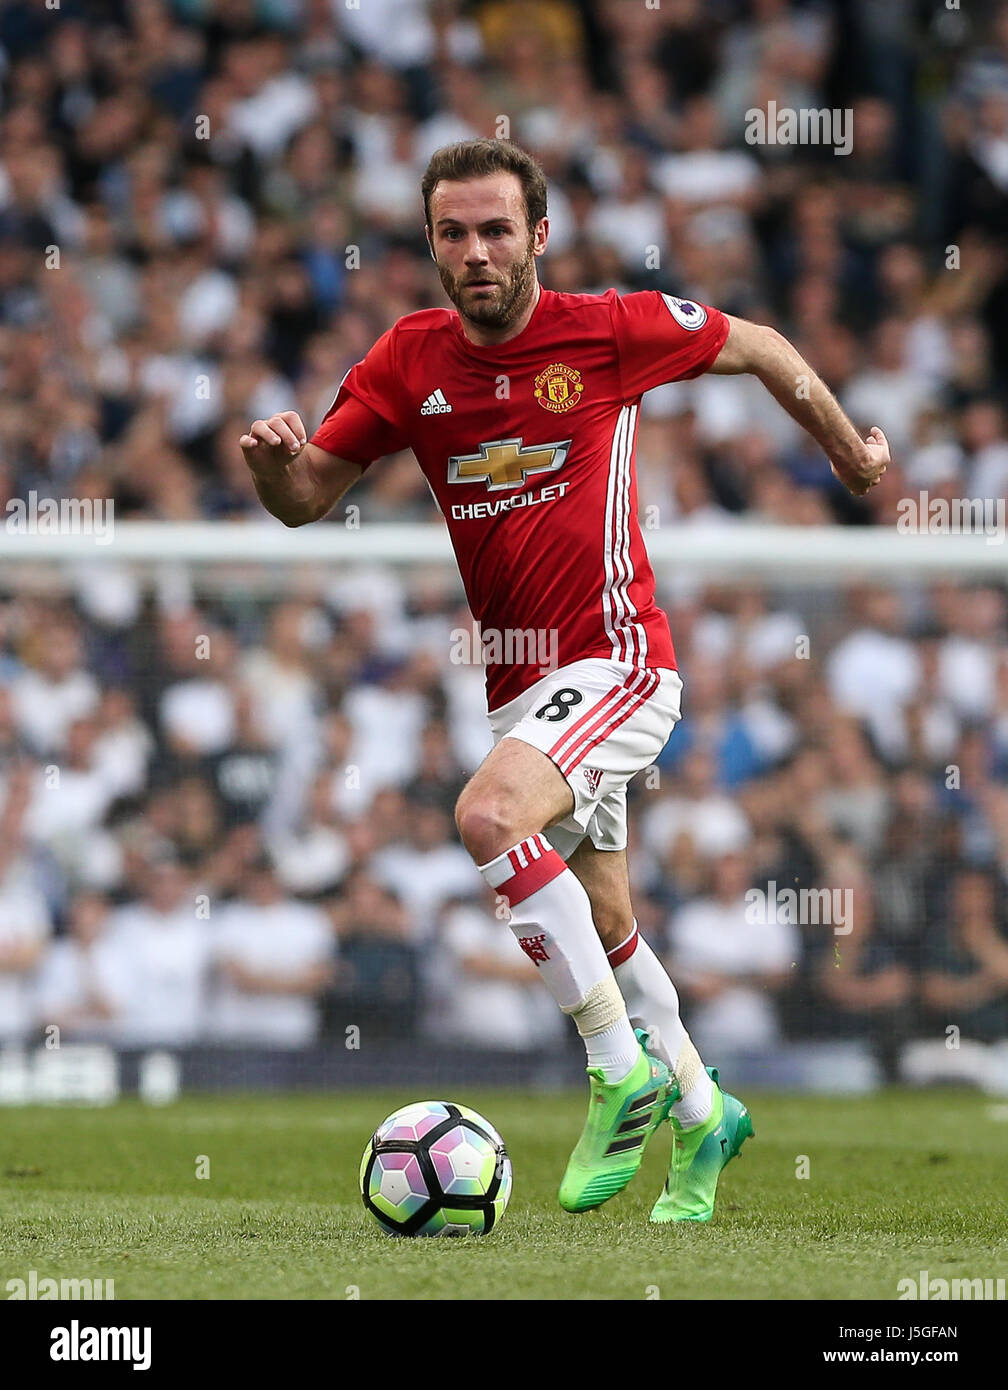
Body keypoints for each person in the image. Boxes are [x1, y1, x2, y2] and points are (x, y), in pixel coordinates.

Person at [239, 139, 889, 1223]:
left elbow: (764, 345)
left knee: (489, 814)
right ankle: (700, 1106)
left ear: (539, 235)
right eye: (454, 233)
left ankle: (612, 1065)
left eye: (497, 230)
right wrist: (271, 467)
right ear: (433, 245)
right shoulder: (408, 359)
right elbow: (307, 496)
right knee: (605, 907)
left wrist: (849, 456)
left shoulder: (609, 329)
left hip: (620, 658)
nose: (477, 251)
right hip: (522, 686)